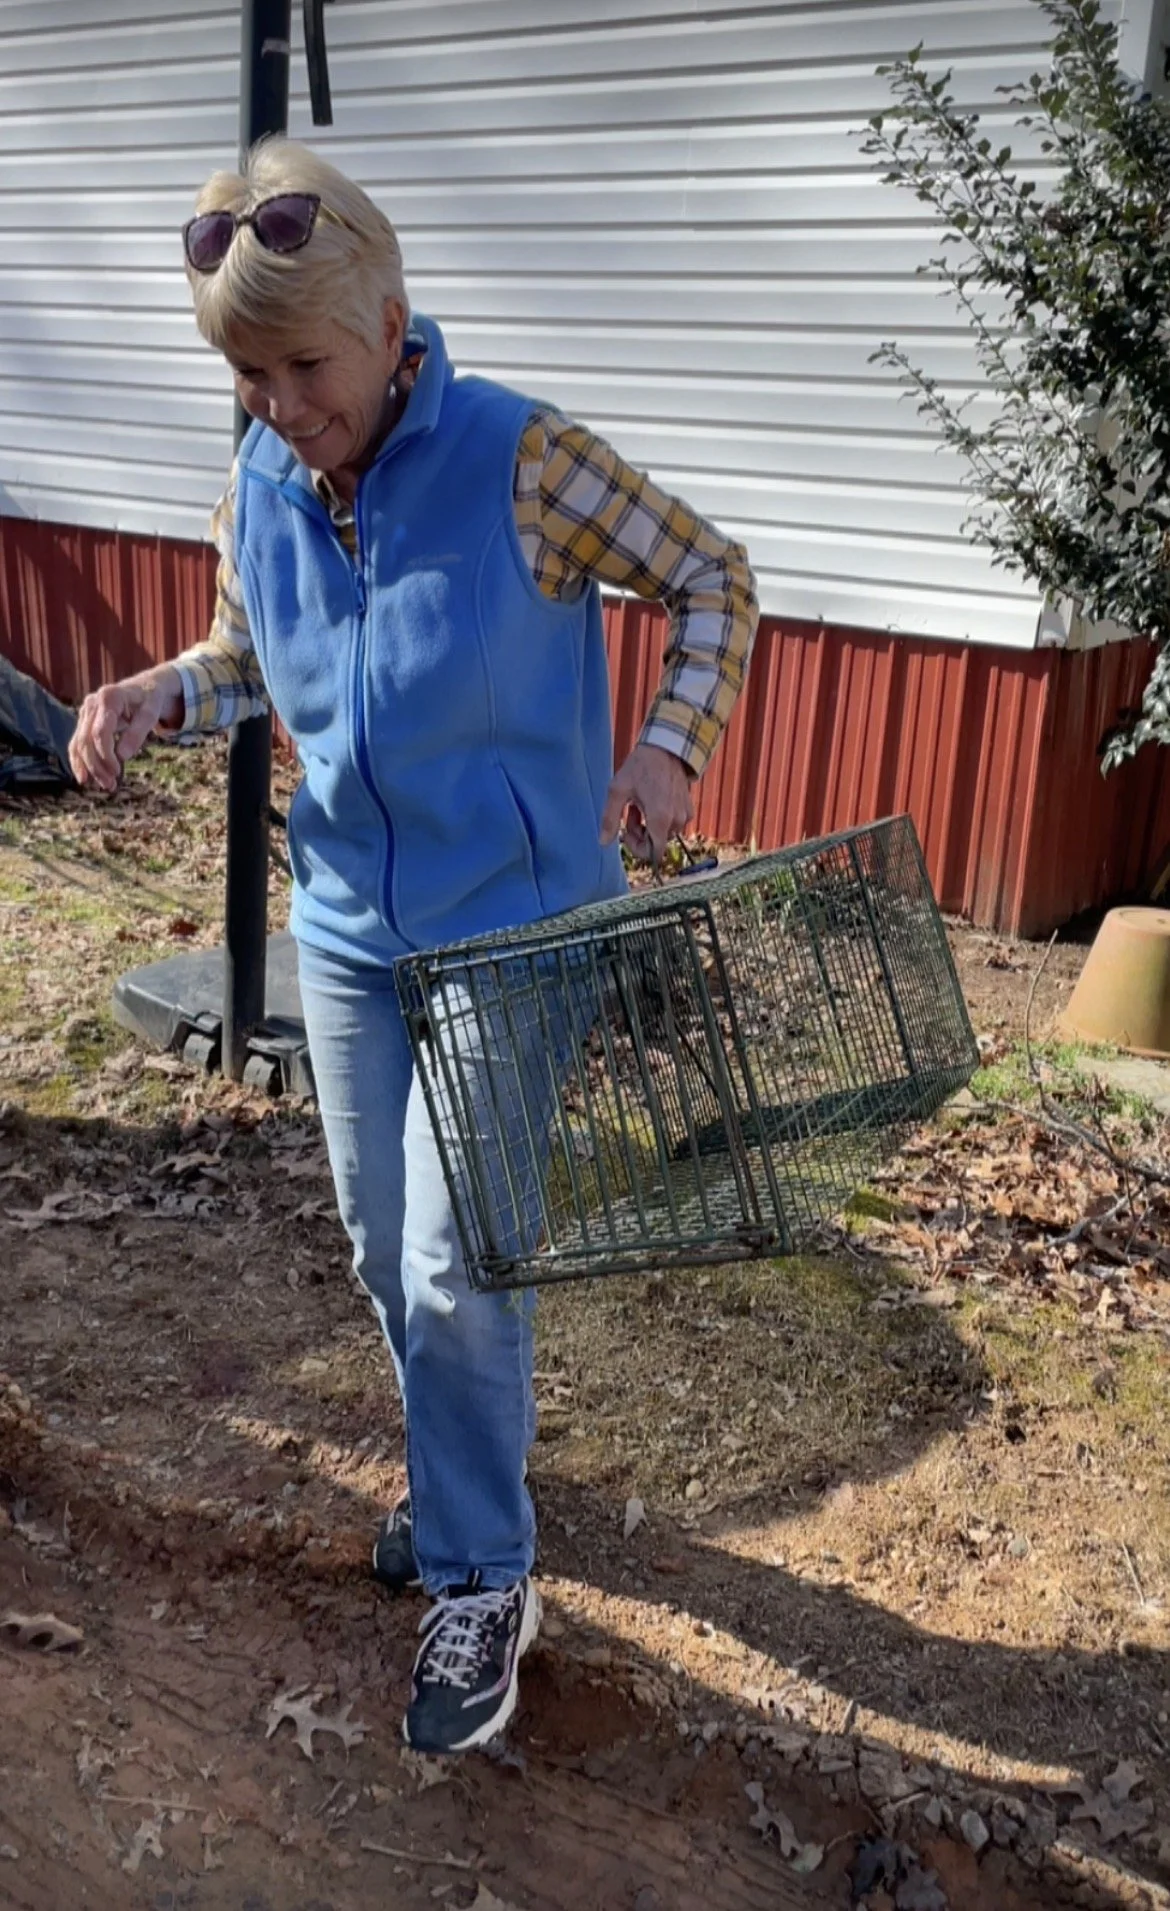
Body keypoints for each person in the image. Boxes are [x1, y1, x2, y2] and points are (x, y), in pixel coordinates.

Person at [69, 139, 758, 1756]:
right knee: (392, 1257)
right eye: (248, 373)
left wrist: (669, 745)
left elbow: (712, 581)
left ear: (388, 320)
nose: (280, 403)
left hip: (512, 935)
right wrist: (172, 689)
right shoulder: (256, 469)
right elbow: (254, 655)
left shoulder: (520, 457)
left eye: (303, 364)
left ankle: (479, 1571)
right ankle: (463, 1497)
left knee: (456, 1260)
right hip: (352, 929)